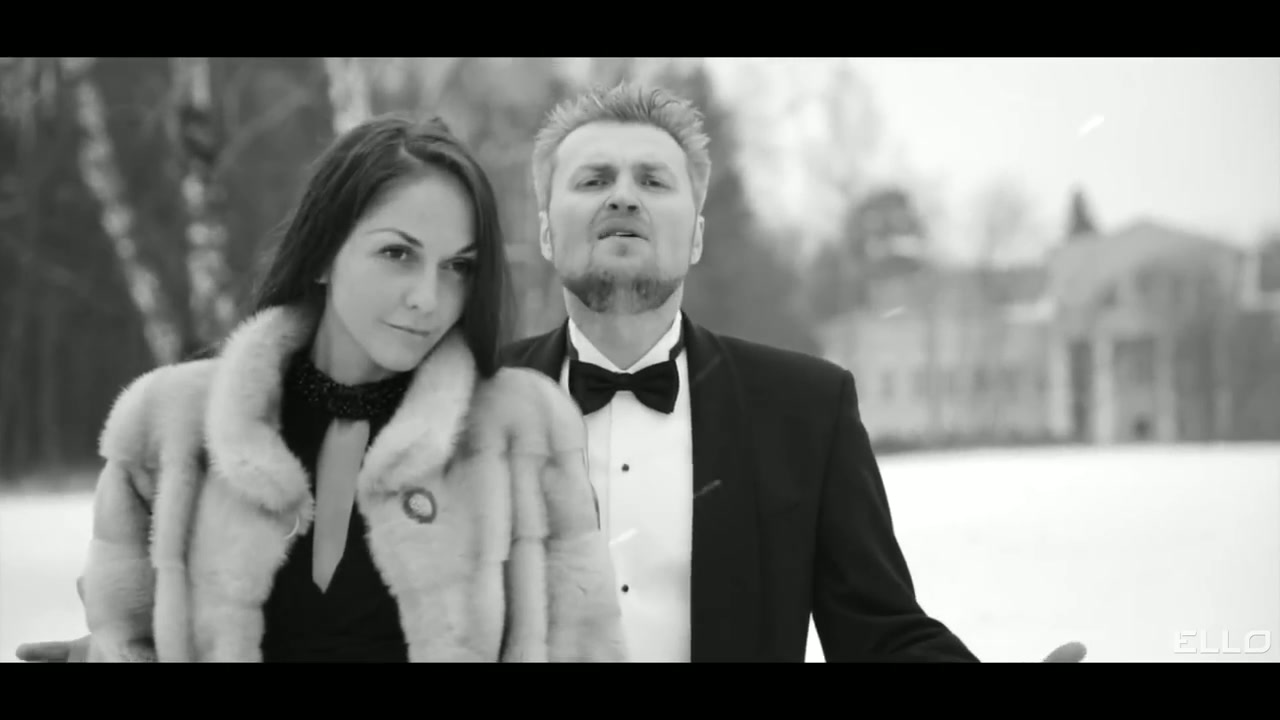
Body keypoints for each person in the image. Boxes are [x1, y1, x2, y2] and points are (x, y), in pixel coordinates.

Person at [499, 81, 1086, 663]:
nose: (624, 198)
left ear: (697, 237)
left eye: (653, 181)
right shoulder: (475, 401)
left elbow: (881, 634)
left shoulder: (807, 410)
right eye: (594, 180)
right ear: (546, 233)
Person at [14, 113, 625, 663]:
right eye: (397, 254)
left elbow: (582, 648)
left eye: (458, 266)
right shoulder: (173, 428)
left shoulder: (522, 432)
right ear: (324, 254)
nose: (428, 297)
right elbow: (128, 639)